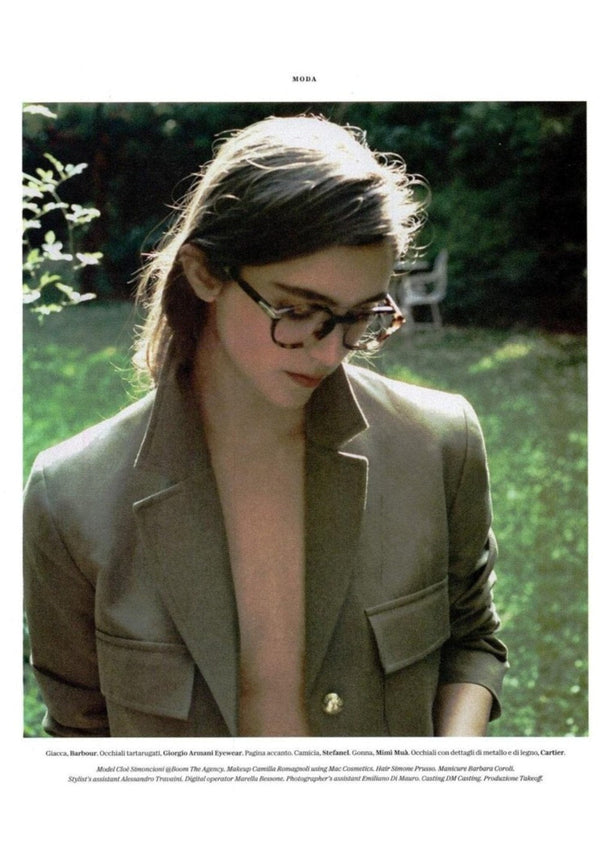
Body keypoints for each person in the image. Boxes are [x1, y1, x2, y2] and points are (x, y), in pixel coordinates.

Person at [23, 114, 508, 738]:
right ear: (204, 273)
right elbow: (79, 734)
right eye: (299, 310)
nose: (330, 352)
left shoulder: (440, 444)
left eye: (360, 316)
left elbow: (472, 643)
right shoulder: (69, 497)